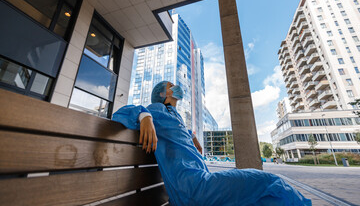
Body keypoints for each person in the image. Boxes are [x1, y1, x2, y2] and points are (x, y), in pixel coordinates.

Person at [112, 81, 311, 206]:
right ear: (163, 95)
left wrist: (193, 137)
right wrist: (144, 116)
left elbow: (179, 133)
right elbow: (120, 113)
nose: (177, 88)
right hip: (193, 189)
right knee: (270, 183)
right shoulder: (156, 109)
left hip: (201, 181)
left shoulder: (174, 116)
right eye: (171, 86)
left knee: (263, 199)